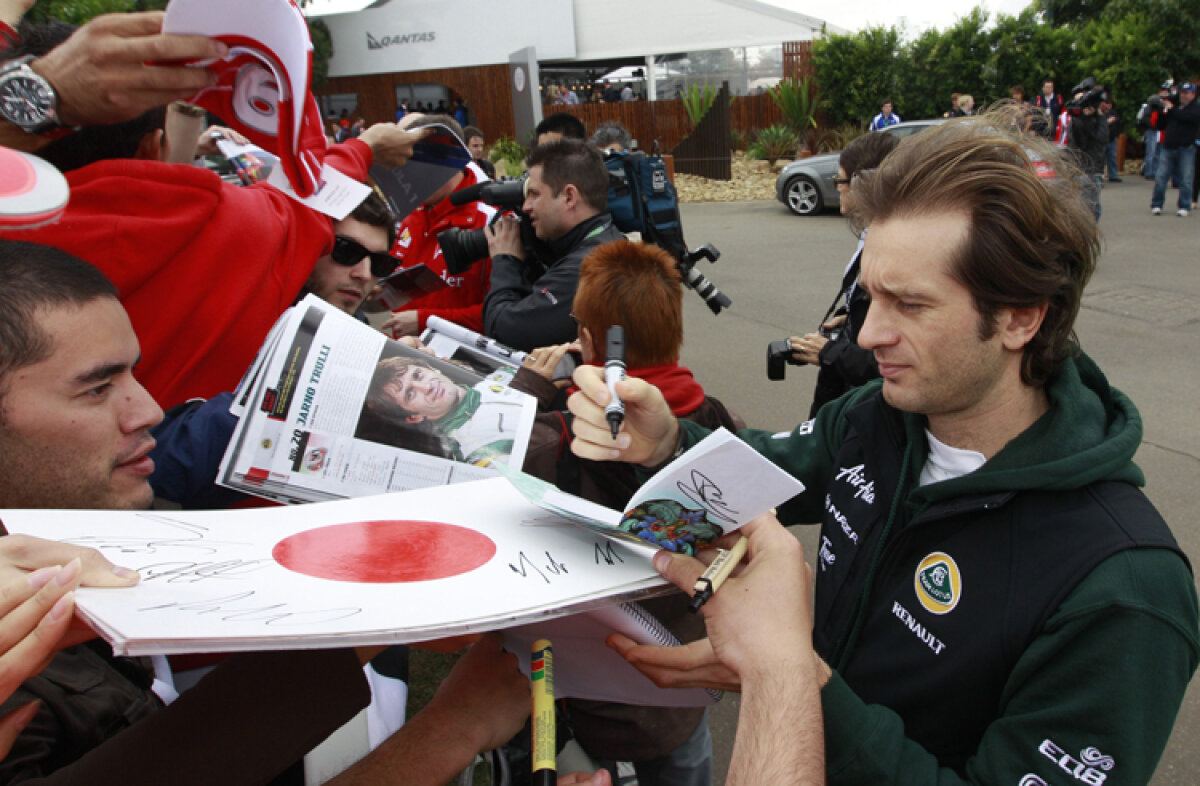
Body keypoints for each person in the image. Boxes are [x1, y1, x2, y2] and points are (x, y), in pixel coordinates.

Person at [568, 113, 1199, 784]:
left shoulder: (1124, 591)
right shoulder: (875, 418)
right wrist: (667, 441)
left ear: (1021, 316)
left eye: (911, 304)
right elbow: (755, 476)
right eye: (870, 297)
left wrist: (792, 676)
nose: (868, 336)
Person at [0, 238, 531, 782]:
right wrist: (453, 729)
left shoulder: (89, 527)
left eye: (135, 374)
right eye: (95, 389)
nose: (149, 410)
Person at [513, 240, 744, 786]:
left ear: (589, 340)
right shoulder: (714, 421)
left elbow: (476, 464)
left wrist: (531, 389)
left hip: (584, 679)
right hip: (679, 677)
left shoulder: (554, 437)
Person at [788, 131, 899, 417]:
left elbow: (891, 363)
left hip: (871, 403)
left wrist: (830, 353)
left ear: (865, 185)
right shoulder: (871, 235)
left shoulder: (894, 252)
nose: (838, 187)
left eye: (841, 180)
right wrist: (851, 313)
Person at [482, 139, 624, 351]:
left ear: (569, 197)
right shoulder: (609, 241)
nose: (525, 206)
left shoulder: (589, 266)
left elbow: (503, 330)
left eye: (534, 194)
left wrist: (506, 260)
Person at [382, 114, 498, 338]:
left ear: (450, 160)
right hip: (408, 361)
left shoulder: (491, 220)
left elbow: (500, 316)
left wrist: (426, 322)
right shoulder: (412, 215)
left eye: (418, 165)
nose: (409, 177)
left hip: (462, 366)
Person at [363, 355, 527, 465]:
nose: (427, 387)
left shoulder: (498, 375)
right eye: (410, 394)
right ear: (413, 417)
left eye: (418, 375)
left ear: (432, 368)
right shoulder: (471, 450)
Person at [1150, 81, 1199, 217]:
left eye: (1187, 93)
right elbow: (1160, 126)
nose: (1184, 96)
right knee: (1161, 177)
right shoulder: (1174, 107)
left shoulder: (1195, 108)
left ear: (1193, 94)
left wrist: (1172, 109)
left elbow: (1188, 118)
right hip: (1168, 147)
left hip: (1186, 148)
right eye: (1182, 93)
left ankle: (1184, 205)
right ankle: (1156, 204)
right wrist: (1160, 112)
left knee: (1186, 179)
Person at [1101, 97, 1122, 181]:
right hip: (1103, 139)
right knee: (1101, 159)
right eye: (1107, 103)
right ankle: (1100, 175)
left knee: (1112, 158)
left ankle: (1113, 175)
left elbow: (1118, 122)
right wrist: (1107, 121)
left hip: (1112, 138)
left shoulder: (1113, 112)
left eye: (1110, 104)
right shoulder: (1100, 113)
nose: (1109, 106)